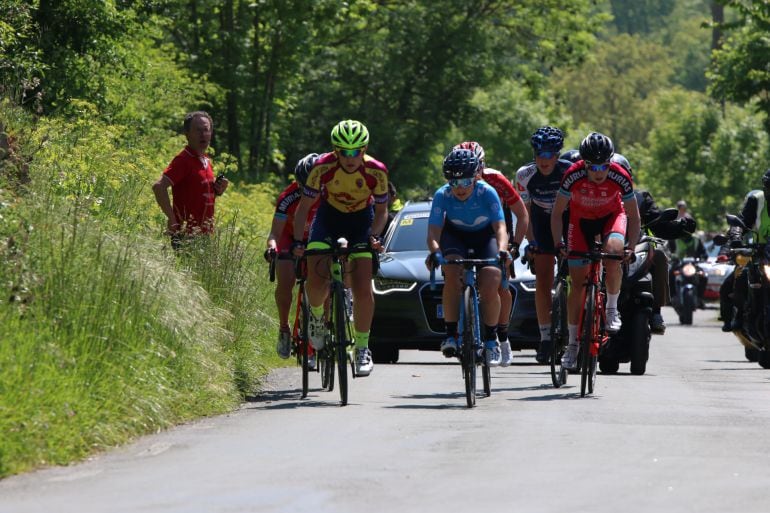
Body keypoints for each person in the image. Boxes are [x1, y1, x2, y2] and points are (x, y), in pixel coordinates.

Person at [291, 120, 388, 377]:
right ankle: (316, 316)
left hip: (361, 220)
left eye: (356, 151)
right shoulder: (321, 168)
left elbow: (381, 211)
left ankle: (362, 348)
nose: (349, 157)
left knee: (362, 286)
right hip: (328, 218)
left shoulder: (376, 171)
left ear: (364, 149)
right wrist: (300, 241)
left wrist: (373, 236)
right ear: (335, 150)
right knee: (316, 273)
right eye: (343, 151)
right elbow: (303, 209)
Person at [550, 132, 641, 370]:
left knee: (613, 253)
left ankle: (611, 308)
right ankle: (572, 345)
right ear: (584, 164)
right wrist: (558, 243)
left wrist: (630, 245)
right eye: (593, 167)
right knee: (577, 284)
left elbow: (633, 215)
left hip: (611, 217)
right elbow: (558, 213)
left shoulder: (620, 176)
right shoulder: (572, 175)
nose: (599, 172)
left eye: (604, 166)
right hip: (580, 222)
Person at [425, 148, 510, 366]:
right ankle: (451, 334)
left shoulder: (487, 192)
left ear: (475, 177)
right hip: (455, 237)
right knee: (452, 275)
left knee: (491, 280)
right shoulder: (442, 195)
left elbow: (500, 227)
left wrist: (502, 250)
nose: (460, 188)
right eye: (454, 183)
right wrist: (435, 252)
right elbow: (434, 233)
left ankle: (491, 340)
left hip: (485, 238)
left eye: (465, 182)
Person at [454, 141, 529, 366]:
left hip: (497, 231)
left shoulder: (496, 180)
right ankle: (463, 328)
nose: (471, 173)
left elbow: (522, 214)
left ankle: (502, 336)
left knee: (500, 285)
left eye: (475, 167)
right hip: (467, 232)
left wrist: (514, 245)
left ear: (482, 165)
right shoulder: (456, 181)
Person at [611, 153, 696, 334]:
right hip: (605, 250)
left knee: (659, 254)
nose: (617, 179)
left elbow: (659, 224)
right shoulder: (595, 197)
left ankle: (656, 311)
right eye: (613, 173)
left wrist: (680, 228)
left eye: (621, 174)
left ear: (628, 176)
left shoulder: (640, 198)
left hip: (634, 248)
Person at [515, 126, 573, 364]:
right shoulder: (524, 175)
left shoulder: (570, 172)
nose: (543, 160)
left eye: (549, 154)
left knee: (576, 275)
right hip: (540, 221)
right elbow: (525, 213)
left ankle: (575, 330)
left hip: (569, 219)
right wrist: (533, 242)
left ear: (558, 154)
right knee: (543, 279)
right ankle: (546, 337)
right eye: (539, 154)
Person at [265, 153, 320, 362]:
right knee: (285, 283)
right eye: (303, 185)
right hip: (289, 239)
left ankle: (322, 324)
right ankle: (284, 328)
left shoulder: (328, 194)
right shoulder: (288, 197)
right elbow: (275, 234)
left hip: (316, 239)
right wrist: (272, 248)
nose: (308, 191)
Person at [153, 111, 228, 248]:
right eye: (198, 130)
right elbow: (158, 187)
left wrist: (218, 190)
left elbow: (197, 193)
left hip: (204, 236)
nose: (203, 134)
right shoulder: (183, 160)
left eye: (206, 130)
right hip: (185, 235)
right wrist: (172, 218)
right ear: (187, 134)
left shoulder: (206, 161)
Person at [719, 168, 770, 332]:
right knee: (739, 279)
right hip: (760, 254)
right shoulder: (757, 200)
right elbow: (740, 223)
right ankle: (740, 315)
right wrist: (735, 239)